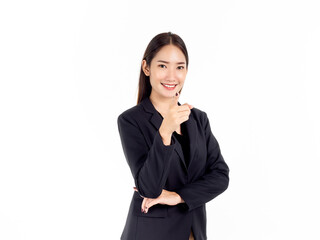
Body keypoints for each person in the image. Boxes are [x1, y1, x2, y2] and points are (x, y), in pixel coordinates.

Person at [117, 32, 229, 240]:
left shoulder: (198, 119)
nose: (171, 76)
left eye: (179, 67)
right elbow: (149, 188)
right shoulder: (131, 121)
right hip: (150, 233)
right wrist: (164, 132)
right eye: (162, 66)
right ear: (146, 68)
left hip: (193, 232)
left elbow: (220, 176)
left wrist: (178, 196)